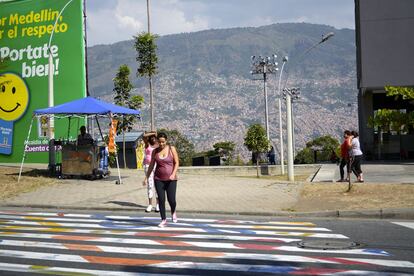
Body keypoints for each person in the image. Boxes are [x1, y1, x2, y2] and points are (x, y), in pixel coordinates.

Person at [143, 132, 179, 228]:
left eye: (163, 142)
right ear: (157, 142)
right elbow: (151, 165)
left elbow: (177, 163)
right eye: (160, 142)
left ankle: (173, 211)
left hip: (171, 179)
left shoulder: (172, 149)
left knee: (172, 200)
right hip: (158, 179)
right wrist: (146, 177)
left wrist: (173, 174)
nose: (161, 144)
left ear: (166, 141)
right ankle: (163, 219)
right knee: (161, 200)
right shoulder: (155, 151)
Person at [143, 131, 159, 213]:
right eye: (151, 137)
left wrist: (155, 134)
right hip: (147, 166)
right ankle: (150, 204)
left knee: (157, 185)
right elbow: (144, 136)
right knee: (150, 185)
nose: (153, 138)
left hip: (156, 165)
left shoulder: (158, 145)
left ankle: (157, 204)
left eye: (154, 137)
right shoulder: (147, 144)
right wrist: (151, 133)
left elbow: (158, 136)